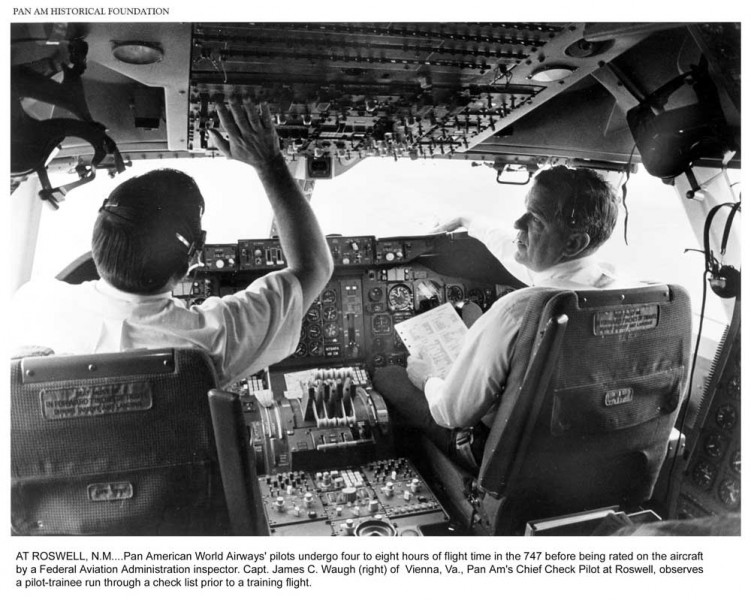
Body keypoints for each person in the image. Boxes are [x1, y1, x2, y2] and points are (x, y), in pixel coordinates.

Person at [10, 99, 334, 387]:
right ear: (193, 258)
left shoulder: (30, 305)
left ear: (98, 240)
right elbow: (315, 267)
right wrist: (269, 161)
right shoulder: (212, 343)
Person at [373, 165, 621, 466]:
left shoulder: (517, 311)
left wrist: (427, 378)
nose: (518, 223)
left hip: (502, 457)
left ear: (574, 243)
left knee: (388, 376)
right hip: (584, 457)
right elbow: (512, 248)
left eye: (536, 220)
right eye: (525, 211)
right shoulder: (617, 290)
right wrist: (468, 220)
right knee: (473, 317)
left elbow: (451, 413)